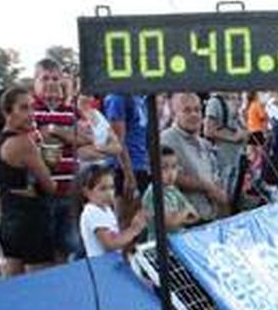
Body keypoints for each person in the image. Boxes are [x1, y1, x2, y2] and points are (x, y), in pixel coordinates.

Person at [0, 87, 60, 276]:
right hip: (31, 221)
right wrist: (49, 163)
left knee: (14, 288)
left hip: (9, 220)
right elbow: (50, 186)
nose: (31, 114)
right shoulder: (23, 143)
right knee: (41, 287)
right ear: (7, 112)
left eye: (32, 107)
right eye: (23, 108)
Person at [159, 92, 228, 220]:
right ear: (175, 114)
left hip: (210, 221)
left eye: (197, 110)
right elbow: (168, 175)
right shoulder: (166, 140)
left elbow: (216, 179)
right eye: (187, 110)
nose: (194, 114)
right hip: (185, 225)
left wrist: (219, 193)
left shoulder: (205, 144)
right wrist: (206, 187)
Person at [78, 164, 147, 258]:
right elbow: (110, 244)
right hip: (102, 266)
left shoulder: (106, 210)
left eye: (111, 188)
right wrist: (134, 229)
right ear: (86, 192)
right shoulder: (92, 211)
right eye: (103, 189)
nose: (109, 193)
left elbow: (117, 237)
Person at [141, 147, 200, 234]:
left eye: (174, 167)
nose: (170, 173)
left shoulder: (173, 190)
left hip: (177, 238)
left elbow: (194, 215)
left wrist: (179, 217)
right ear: (151, 169)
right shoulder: (154, 192)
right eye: (164, 168)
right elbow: (169, 222)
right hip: (161, 244)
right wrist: (184, 213)